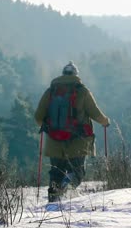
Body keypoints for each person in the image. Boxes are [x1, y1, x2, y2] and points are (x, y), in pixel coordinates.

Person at [34, 61, 110, 202]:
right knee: (77, 172)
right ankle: (65, 190)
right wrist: (105, 122)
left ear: (62, 74)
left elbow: (38, 116)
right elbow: (95, 113)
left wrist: (51, 129)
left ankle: (53, 201)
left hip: (54, 140)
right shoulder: (82, 91)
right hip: (77, 141)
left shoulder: (51, 91)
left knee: (56, 172)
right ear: (76, 75)